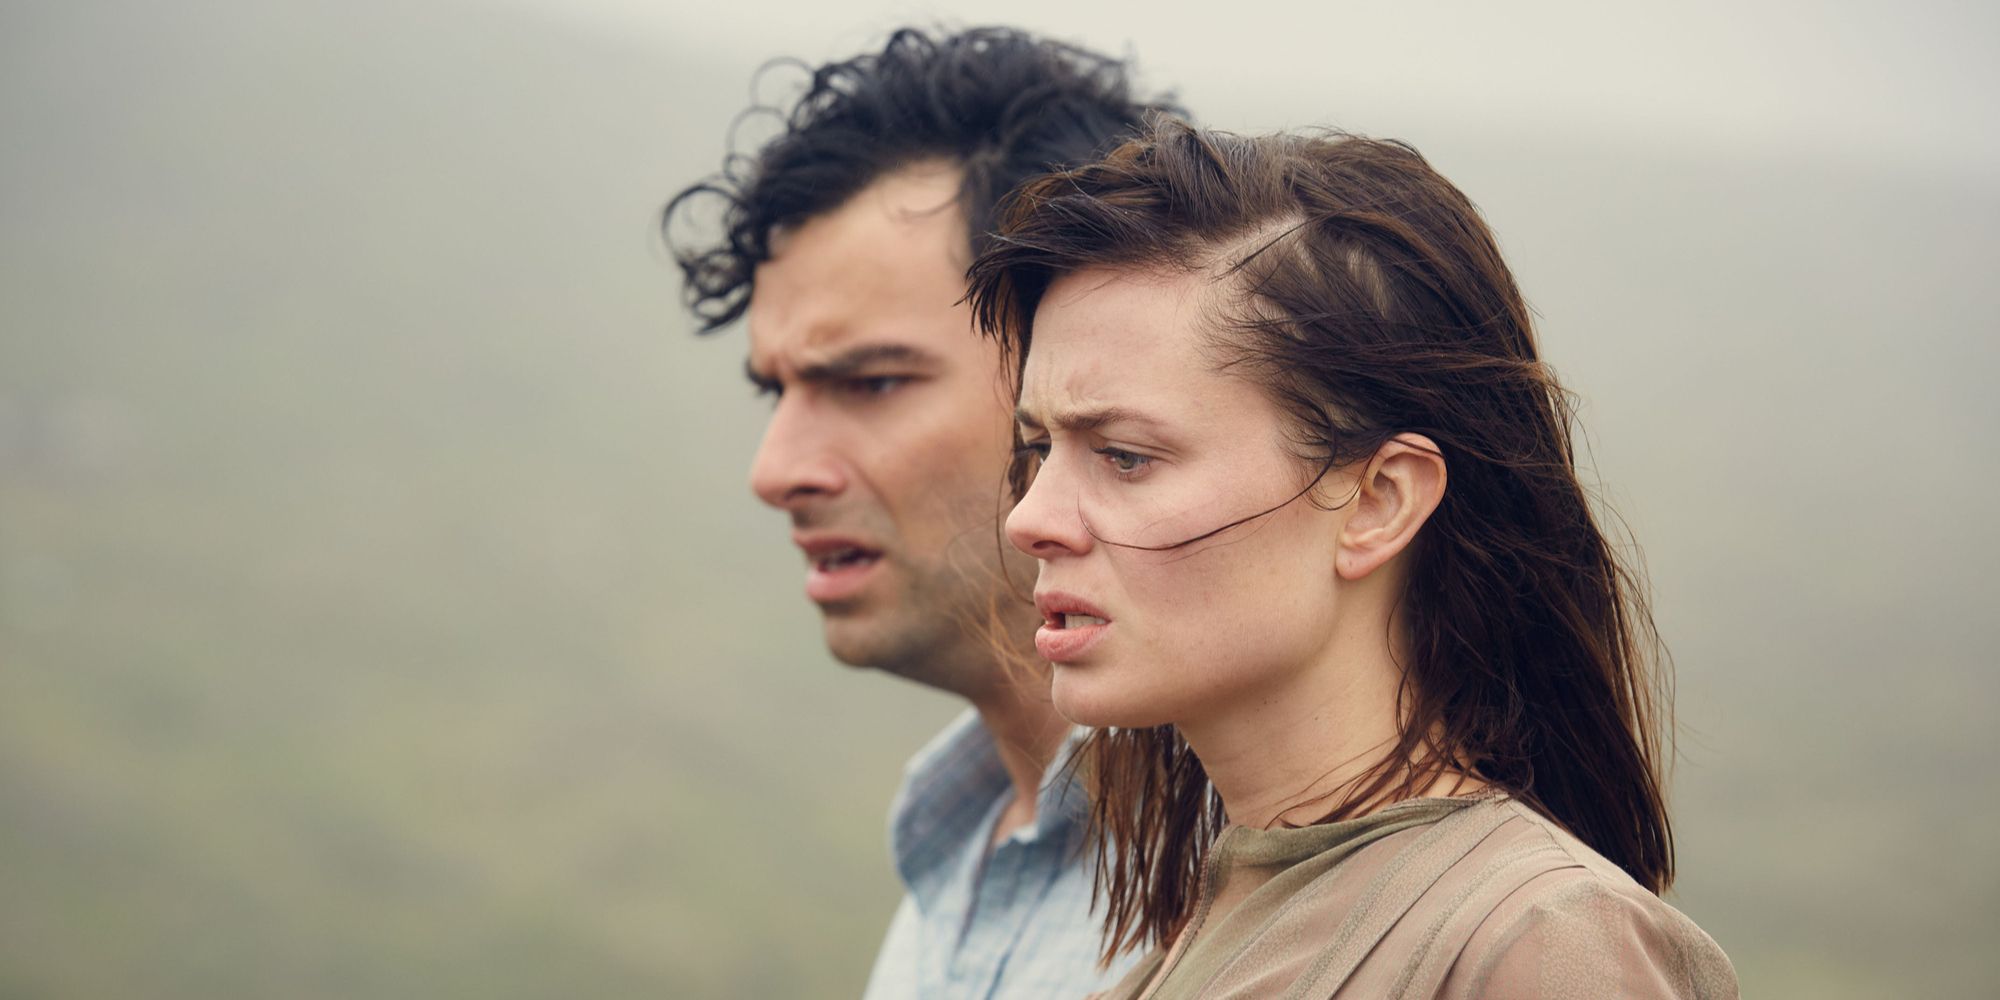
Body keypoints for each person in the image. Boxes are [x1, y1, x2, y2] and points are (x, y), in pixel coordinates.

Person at [968, 121, 1739, 997]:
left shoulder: (1537, 944)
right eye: (1038, 449)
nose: (1032, 519)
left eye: (1126, 457)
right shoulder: (1180, 955)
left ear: (1380, 501)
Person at [662, 27, 1184, 999]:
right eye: (773, 391)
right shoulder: (949, 863)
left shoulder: (1295, 906)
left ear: (1078, 375)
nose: (775, 470)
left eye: (867, 381)